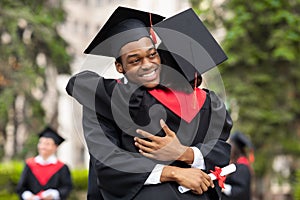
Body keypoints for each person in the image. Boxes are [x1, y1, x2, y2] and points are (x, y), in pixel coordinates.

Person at [66, 6, 232, 200]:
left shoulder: (205, 102)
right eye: (135, 60)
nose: (147, 65)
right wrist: (173, 172)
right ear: (119, 67)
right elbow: (108, 163)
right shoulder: (101, 102)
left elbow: (219, 149)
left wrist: (184, 153)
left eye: (152, 55)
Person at [16, 127, 73, 200]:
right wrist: (28, 196)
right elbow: (21, 188)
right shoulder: (29, 164)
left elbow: (66, 188)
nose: (43, 146)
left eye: (47, 144)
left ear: (55, 147)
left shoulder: (62, 167)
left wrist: (53, 194)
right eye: (41, 143)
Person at [222, 131, 253, 200]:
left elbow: (241, 191)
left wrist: (222, 187)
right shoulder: (236, 165)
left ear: (235, 148)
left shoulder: (242, 167)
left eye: (230, 144)